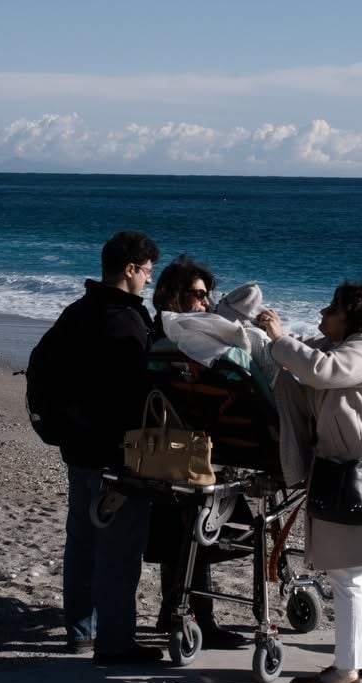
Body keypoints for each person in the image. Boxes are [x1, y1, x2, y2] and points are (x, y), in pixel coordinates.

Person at [258, 282, 362, 683]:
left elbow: (320, 371)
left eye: (331, 309)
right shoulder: (357, 346)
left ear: (353, 316)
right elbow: (315, 356)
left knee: (347, 574)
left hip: (353, 474)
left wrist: (278, 338)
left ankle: (345, 671)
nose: (322, 316)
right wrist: (281, 341)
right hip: (360, 473)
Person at [56, 230, 164, 664]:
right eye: (147, 273)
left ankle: (81, 631)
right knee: (119, 550)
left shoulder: (75, 312)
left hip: (77, 444)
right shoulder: (125, 322)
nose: (149, 282)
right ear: (130, 270)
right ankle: (116, 642)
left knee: (82, 541)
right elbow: (140, 388)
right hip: (116, 453)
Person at [146, 255, 246, 649]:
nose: (206, 304)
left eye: (208, 296)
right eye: (199, 295)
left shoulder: (157, 333)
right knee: (197, 530)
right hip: (189, 449)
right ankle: (197, 616)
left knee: (180, 530)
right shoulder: (191, 341)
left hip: (162, 446)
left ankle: (175, 610)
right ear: (174, 295)